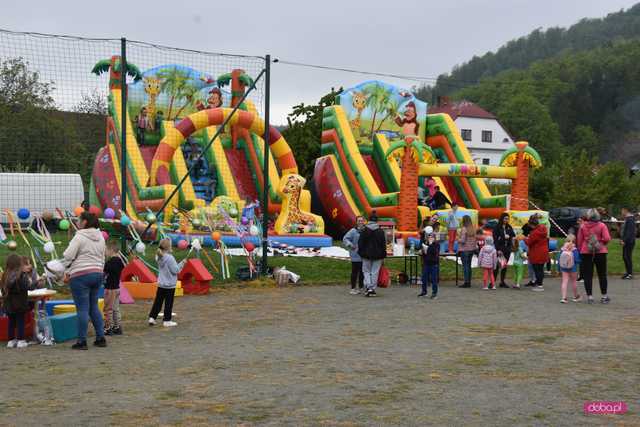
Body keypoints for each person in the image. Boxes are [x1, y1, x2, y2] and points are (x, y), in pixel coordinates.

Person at [63, 212, 107, 350]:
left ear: (85, 222)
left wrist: (66, 270)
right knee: (93, 306)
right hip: (97, 273)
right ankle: (101, 338)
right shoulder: (100, 237)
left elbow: (68, 255)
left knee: (82, 309)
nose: (77, 222)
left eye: (79, 220)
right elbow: (102, 257)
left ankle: (81, 341)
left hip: (81, 275)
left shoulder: (79, 236)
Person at [577, 208, 611, 304]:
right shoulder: (602, 225)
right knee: (602, 274)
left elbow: (579, 241)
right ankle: (604, 296)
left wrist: (580, 250)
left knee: (588, 275)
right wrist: (602, 243)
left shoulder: (583, 226)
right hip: (600, 252)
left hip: (586, 252)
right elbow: (607, 238)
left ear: (588, 216)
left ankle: (590, 297)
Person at [149, 239, 185, 326]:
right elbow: (175, 270)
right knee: (168, 303)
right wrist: (182, 263)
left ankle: (152, 318)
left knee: (158, 302)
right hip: (169, 286)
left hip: (161, 284)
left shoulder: (158, 256)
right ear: (169, 247)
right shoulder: (170, 258)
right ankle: (167, 320)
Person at [2, 255, 30, 349]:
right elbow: (26, 287)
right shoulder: (20, 275)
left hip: (8, 304)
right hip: (20, 303)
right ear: (18, 264)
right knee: (20, 321)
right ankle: (21, 340)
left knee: (11, 322)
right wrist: (32, 282)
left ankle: (11, 341)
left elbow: (3, 290)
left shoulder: (4, 275)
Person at [357, 212, 387, 297]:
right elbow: (383, 244)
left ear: (368, 220)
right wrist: (383, 255)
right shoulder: (380, 231)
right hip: (378, 255)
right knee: (375, 272)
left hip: (366, 254)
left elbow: (360, 243)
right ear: (377, 220)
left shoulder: (364, 230)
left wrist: (361, 252)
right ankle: (372, 289)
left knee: (366, 271)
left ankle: (368, 287)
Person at [103, 243, 125, 336]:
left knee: (108, 309)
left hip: (110, 289)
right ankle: (117, 326)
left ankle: (108, 328)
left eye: (106, 251)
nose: (105, 253)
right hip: (117, 288)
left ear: (111, 250)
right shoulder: (120, 262)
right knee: (116, 309)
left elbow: (104, 271)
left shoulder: (110, 262)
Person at [525, 215, 549, 292]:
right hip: (544, 251)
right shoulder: (543, 228)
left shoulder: (534, 233)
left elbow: (529, 242)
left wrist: (524, 238)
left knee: (537, 269)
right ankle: (540, 284)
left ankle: (539, 286)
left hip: (536, 252)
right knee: (541, 269)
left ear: (532, 225)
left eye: (530, 225)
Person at [343, 216, 365, 295]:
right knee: (354, 272)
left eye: (362, 220)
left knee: (363, 272)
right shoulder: (353, 231)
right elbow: (345, 238)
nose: (360, 222)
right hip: (355, 255)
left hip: (364, 255)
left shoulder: (366, 231)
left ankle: (361, 287)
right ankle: (353, 288)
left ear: (364, 222)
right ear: (356, 222)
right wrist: (350, 245)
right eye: (359, 221)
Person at [492, 213, 516, 288]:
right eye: (505, 218)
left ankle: (502, 282)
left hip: (507, 249)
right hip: (500, 249)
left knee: (504, 266)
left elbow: (513, 235)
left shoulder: (509, 227)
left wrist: (510, 238)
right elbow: (495, 239)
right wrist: (498, 249)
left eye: (508, 219)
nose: (507, 220)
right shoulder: (497, 227)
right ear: (502, 218)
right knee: (497, 266)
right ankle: (492, 282)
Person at [558, 234, 581, 304]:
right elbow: (577, 260)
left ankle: (564, 298)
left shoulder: (563, 249)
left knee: (564, 282)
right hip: (573, 267)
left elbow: (559, 259)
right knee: (574, 282)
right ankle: (576, 296)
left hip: (564, 267)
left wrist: (559, 268)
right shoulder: (574, 249)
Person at [419, 231, 440, 299]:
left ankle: (434, 293)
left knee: (434, 279)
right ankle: (424, 292)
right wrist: (422, 251)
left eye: (432, 237)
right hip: (426, 263)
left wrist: (430, 245)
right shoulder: (426, 243)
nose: (430, 238)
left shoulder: (436, 244)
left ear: (434, 238)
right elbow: (425, 253)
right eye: (429, 237)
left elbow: (434, 252)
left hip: (434, 264)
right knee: (424, 278)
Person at [457, 215, 476, 288]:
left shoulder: (464, 229)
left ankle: (466, 282)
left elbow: (463, 240)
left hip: (464, 250)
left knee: (465, 266)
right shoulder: (472, 228)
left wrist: (457, 239)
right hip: (471, 250)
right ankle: (469, 281)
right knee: (469, 266)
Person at [620, 207, 636, 279]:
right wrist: (622, 239)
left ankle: (630, 273)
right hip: (626, 241)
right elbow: (624, 231)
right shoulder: (627, 219)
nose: (621, 212)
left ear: (626, 210)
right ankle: (628, 272)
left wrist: (624, 240)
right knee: (625, 257)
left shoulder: (630, 219)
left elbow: (629, 232)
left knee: (627, 257)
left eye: (622, 211)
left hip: (629, 242)